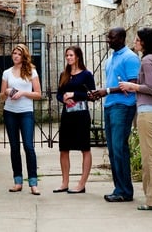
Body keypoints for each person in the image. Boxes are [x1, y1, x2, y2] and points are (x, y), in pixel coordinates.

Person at [119, 27, 152, 211]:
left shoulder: (147, 60)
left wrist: (132, 86)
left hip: (148, 113)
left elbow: (151, 87)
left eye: (138, 40)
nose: (135, 42)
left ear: (145, 42)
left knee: (151, 158)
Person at [93, 27, 140, 202]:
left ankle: (125, 191)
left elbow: (132, 85)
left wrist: (106, 91)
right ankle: (119, 188)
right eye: (107, 37)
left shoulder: (130, 58)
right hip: (110, 105)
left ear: (121, 38)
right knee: (113, 150)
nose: (108, 40)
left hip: (123, 107)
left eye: (111, 37)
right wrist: (101, 93)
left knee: (119, 148)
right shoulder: (110, 58)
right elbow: (117, 85)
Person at [0, 43, 42, 195]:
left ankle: (33, 183)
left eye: (19, 54)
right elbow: (1, 94)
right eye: (14, 53)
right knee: (14, 147)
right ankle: (18, 181)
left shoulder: (31, 71)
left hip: (26, 113)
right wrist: (8, 91)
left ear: (24, 56)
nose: (16, 56)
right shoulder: (7, 73)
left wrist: (23, 93)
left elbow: (38, 94)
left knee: (29, 147)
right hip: (10, 112)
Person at [54, 46, 95, 194]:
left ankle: (81, 183)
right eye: (67, 56)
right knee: (63, 149)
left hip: (81, 115)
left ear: (78, 57)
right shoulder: (64, 75)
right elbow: (58, 94)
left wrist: (74, 94)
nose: (69, 58)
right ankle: (65, 182)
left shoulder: (86, 75)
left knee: (85, 148)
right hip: (67, 115)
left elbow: (92, 95)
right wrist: (64, 99)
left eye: (71, 55)